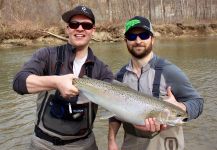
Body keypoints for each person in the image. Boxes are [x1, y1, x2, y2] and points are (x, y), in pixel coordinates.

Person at [13, 5, 113, 150]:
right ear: (67, 29)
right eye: (74, 24)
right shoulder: (47, 55)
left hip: (84, 145)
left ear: (93, 30)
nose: (80, 28)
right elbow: (19, 82)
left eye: (86, 25)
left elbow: (117, 106)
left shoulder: (103, 70)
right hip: (43, 144)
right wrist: (56, 82)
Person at [108, 16, 204, 150]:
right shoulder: (119, 76)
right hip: (131, 143)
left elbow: (198, 102)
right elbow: (114, 111)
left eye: (144, 35)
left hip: (165, 144)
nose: (138, 41)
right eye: (131, 36)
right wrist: (112, 140)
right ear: (126, 41)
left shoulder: (170, 71)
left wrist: (181, 107)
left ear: (152, 39)